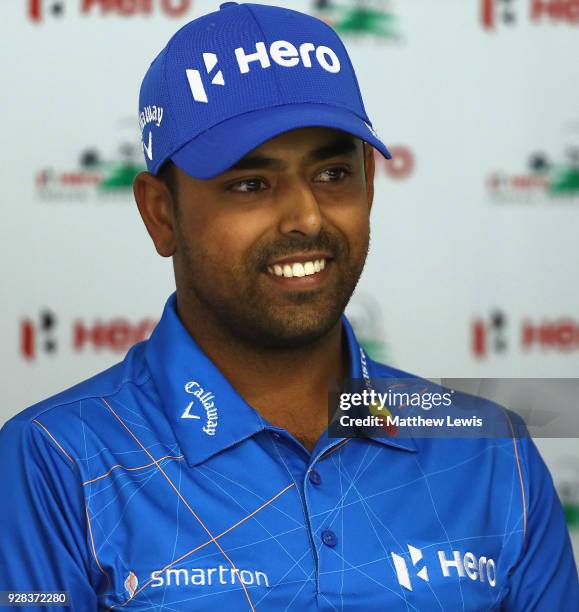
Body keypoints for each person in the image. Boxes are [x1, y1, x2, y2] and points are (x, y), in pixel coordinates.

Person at [1, 2, 577, 610]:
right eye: (250, 184)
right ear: (160, 213)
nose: (306, 216)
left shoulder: (491, 451)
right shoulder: (53, 461)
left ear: (370, 185)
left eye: (332, 173)